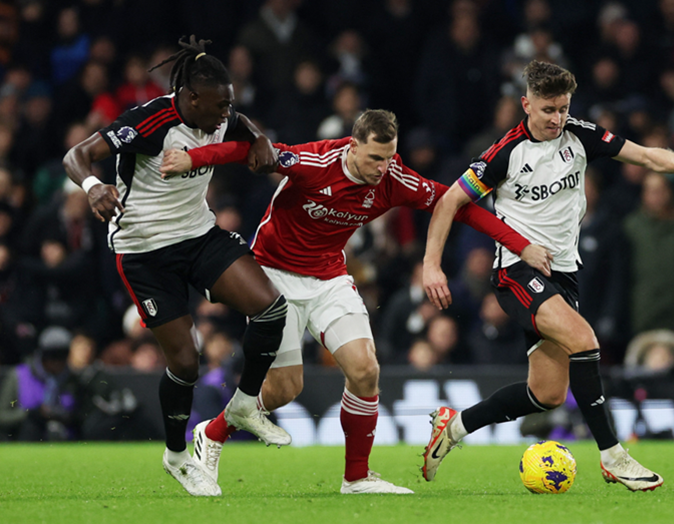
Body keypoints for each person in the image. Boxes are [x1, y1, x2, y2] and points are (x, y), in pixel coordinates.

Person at [159, 109, 535, 494]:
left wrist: (519, 245)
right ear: (352, 146)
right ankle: (213, 432)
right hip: (273, 277)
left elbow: (456, 203)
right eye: (374, 158)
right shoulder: (315, 162)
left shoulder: (393, 179)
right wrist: (194, 158)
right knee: (285, 389)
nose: (382, 167)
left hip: (329, 278)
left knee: (365, 370)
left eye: (389, 157)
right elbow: (251, 151)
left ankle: (356, 477)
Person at [420, 60, 674, 492]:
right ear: (526, 104)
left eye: (562, 108)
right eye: (547, 110)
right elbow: (449, 202)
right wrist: (432, 264)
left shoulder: (580, 134)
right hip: (517, 272)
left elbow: (645, 154)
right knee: (585, 340)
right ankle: (614, 457)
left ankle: (455, 426)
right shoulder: (504, 152)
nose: (556, 118)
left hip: (564, 273)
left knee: (547, 394)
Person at [61, 36, 290, 498]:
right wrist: (91, 186)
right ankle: (176, 456)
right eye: (219, 104)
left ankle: (245, 405)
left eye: (230, 102)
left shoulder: (221, 114)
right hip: (144, 249)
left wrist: (261, 139)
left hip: (198, 234)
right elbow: (76, 155)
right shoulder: (150, 121)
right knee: (186, 362)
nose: (226, 113)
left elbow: (243, 125)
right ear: (190, 98)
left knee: (271, 308)